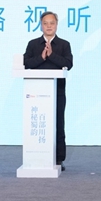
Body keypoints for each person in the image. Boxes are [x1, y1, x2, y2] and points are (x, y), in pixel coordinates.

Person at [24, 11, 73, 169]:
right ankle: (37, 154)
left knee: (58, 123)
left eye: (52, 23)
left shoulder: (64, 44)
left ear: (56, 25)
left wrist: (51, 55)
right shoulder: (33, 44)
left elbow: (68, 64)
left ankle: (58, 158)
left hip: (57, 91)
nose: (49, 26)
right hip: (37, 92)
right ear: (41, 25)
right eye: (45, 23)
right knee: (38, 123)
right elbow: (26, 63)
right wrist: (42, 57)